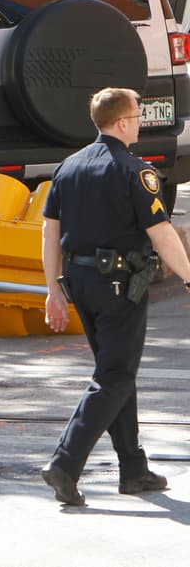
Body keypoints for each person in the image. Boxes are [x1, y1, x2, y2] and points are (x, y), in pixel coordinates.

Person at [40, 87, 190, 506]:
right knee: (115, 377)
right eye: (138, 115)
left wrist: (53, 289)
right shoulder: (134, 170)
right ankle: (65, 464)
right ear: (122, 122)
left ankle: (133, 469)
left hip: (80, 282)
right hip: (119, 286)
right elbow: (161, 234)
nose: (141, 120)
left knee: (116, 372)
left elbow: (49, 234)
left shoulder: (68, 168)